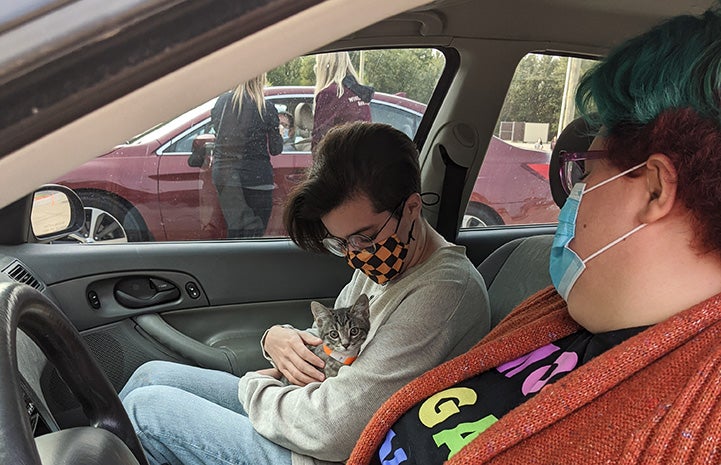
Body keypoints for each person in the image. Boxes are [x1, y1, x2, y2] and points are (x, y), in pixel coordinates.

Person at [348, 6, 721, 465]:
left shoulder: (695, 431)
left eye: (585, 170)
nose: (573, 196)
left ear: (654, 187)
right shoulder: (566, 309)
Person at [119, 121, 490, 465]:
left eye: (364, 237)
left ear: (412, 207)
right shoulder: (390, 262)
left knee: (145, 412)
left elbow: (334, 429)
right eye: (342, 242)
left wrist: (254, 384)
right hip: (314, 408)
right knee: (151, 376)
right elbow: (320, 344)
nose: (354, 255)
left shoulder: (443, 292)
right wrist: (275, 339)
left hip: (334, 453)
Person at [210, 73, 283, 238]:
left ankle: (235, 262)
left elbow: (220, 135)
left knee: (236, 231)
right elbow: (276, 149)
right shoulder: (266, 107)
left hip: (227, 178)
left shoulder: (222, 103)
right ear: (261, 79)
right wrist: (279, 132)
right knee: (255, 236)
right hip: (258, 178)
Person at [311, 52, 374, 150]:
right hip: (361, 158)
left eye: (317, 64)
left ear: (324, 65)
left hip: (340, 160)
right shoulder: (359, 92)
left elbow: (320, 140)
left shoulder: (330, 94)